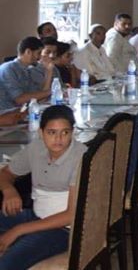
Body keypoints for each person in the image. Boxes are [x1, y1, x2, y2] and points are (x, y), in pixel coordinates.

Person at [0, 105, 86, 270]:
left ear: (73, 132)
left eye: (65, 132)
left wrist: (18, 230)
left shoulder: (81, 157)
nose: (58, 139)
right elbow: (5, 174)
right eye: (51, 132)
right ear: (41, 133)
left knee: (7, 263)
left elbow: (71, 216)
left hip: (64, 229)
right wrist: (9, 190)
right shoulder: (36, 148)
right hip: (37, 215)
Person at [0, 37, 54, 109]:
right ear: (28, 52)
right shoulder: (8, 68)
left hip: (23, 111)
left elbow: (40, 99)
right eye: (38, 53)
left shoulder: (28, 70)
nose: (40, 57)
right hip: (6, 112)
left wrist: (49, 71)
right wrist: (51, 91)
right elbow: (20, 99)